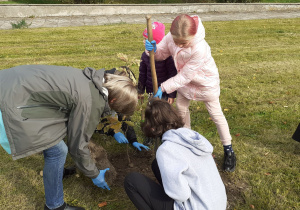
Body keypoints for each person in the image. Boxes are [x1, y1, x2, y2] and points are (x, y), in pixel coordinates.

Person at [0, 64, 138, 210]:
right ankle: (55, 206)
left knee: (56, 147)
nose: (113, 112)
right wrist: (94, 174)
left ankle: (56, 172)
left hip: (11, 82)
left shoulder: (93, 80)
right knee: (57, 151)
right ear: (113, 100)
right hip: (11, 100)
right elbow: (77, 145)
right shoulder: (90, 100)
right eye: (115, 109)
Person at [145, 14, 236, 172]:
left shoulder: (199, 48)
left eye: (184, 43)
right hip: (185, 85)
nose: (179, 46)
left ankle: (228, 150)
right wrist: (153, 50)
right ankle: (186, 142)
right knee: (181, 111)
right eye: (176, 42)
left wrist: (164, 87)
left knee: (216, 114)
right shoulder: (171, 37)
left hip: (205, 84)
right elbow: (161, 55)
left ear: (193, 36)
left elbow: (185, 76)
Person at [124, 99, 227, 210]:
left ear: (152, 127)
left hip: (197, 207)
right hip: (217, 204)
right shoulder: (192, 137)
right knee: (156, 164)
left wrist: (172, 188)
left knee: (132, 180)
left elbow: (182, 195)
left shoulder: (166, 150)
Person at [138, 21, 177, 104]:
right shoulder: (145, 55)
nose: (143, 41)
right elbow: (142, 74)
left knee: (163, 111)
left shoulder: (167, 57)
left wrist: (171, 94)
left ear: (155, 41)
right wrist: (140, 90)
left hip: (164, 92)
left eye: (146, 39)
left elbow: (172, 75)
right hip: (150, 90)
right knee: (152, 109)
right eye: (143, 39)